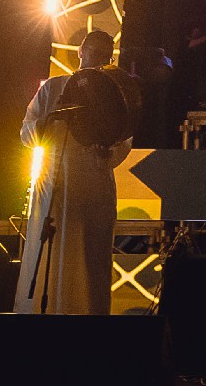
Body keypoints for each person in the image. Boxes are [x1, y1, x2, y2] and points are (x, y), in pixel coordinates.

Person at [18, 30, 135, 315]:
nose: (98, 59)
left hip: (93, 188)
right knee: (50, 255)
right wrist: (51, 120)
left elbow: (124, 140)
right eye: (94, 52)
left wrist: (106, 153)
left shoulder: (114, 95)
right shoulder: (54, 88)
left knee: (90, 257)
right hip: (54, 186)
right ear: (81, 51)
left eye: (105, 56)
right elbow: (26, 132)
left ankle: (88, 324)